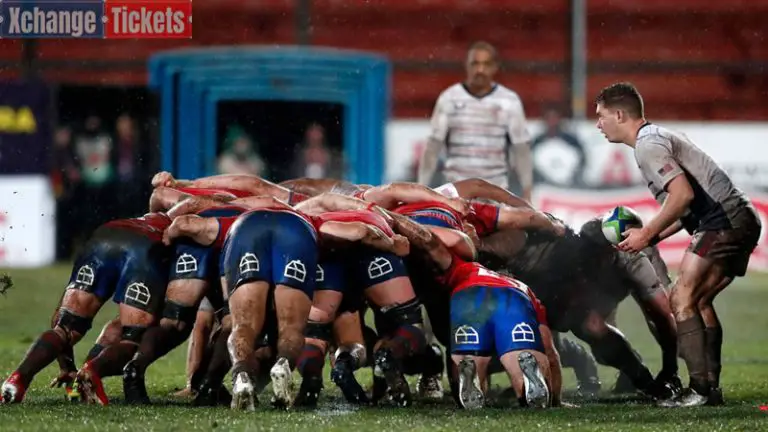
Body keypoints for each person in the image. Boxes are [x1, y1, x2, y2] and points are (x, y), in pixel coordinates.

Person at [595, 82, 762, 407]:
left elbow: (682, 195)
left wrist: (645, 234)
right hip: (738, 216)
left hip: (723, 219)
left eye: (601, 116)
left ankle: (699, 390)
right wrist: (650, 237)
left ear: (619, 114)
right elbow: (684, 207)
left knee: (681, 298)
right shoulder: (657, 137)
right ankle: (708, 390)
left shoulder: (647, 145)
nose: (598, 125)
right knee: (698, 302)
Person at [418, 41, 533, 201]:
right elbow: (433, 146)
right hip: (456, 193)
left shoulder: (509, 101)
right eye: (475, 63)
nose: (480, 70)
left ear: (495, 67)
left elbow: (521, 149)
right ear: (467, 66)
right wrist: (422, 186)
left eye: (486, 64)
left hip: (495, 192)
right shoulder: (449, 98)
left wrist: (527, 190)